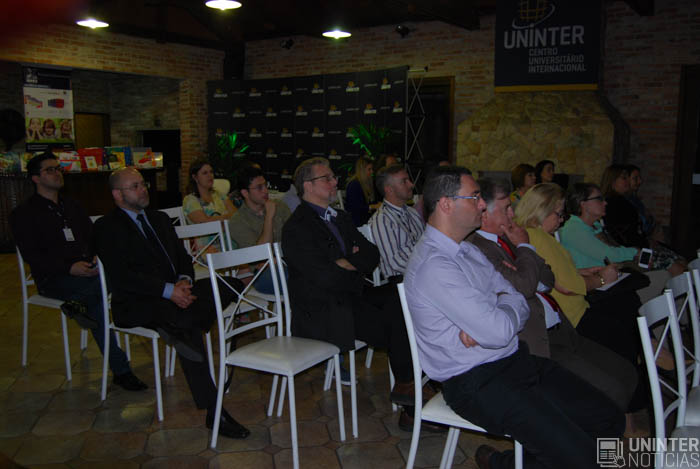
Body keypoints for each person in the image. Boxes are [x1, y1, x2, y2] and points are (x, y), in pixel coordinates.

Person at [405, 166, 624, 469]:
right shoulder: (435, 265)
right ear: (446, 204)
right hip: (476, 382)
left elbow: (518, 297)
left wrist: (494, 312)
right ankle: (506, 463)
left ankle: (507, 463)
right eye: (474, 197)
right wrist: (494, 314)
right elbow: (499, 329)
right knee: (585, 458)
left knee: (609, 420)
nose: (482, 205)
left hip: (515, 360)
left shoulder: (467, 251)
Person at [94, 167, 249, 440]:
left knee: (230, 284)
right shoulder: (107, 227)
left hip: (176, 294)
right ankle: (215, 412)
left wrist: (183, 281)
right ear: (117, 194)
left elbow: (183, 258)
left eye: (143, 184)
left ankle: (180, 323)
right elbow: (123, 276)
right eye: (134, 186)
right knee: (187, 324)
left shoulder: (160, 219)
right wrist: (168, 291)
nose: (143, 190)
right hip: (137, 301)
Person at [468, 178, 637, 415]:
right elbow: (527, 286)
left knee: (626, 371)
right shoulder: (479, 248)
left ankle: (614, 426)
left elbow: (547, 279)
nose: (513, 214)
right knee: (610, 390)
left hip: (562, 327)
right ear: (484, 214)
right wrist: (525, 250)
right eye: (506, 209)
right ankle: (604, 433)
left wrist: (525, 266)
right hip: (538, 340)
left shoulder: (510, 237)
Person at [282, 157, 422, 430]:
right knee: (396, 323)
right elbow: (324, 277)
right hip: (323, 309)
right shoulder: (297, 227)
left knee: (402, 297)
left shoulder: (340, 217)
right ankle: (410, 396)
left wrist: (345, 262)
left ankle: (408, 385)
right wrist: (352, 262)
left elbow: (372, 254)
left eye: (333, 177)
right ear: (308, 186)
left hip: (351, 293)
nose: (335, 182)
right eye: (327, 178)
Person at [10, 152, 146, 392]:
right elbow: (33, 255)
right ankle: (121, 370)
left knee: (120, 276)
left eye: (58, 168)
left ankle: (77, 305)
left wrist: (93, 257)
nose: (57, 173)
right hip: (54, 279)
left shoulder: (72, 205)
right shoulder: (24, 213)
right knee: (98, 297)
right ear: (35, 178)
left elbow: (92, 238)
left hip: (87, 272)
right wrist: (69, 267)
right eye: (50, 170)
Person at [515, 183, 641, 365]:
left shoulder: (531, 234)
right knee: (625, 323)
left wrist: (580, 272)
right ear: (543, 211)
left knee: (625, 309)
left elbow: (552, 274)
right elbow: (567, 287)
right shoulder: (540, 237)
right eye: (559, 214)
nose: (561, 221)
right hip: (573, 316)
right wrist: (602, 279)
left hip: (570, 312)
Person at [560, 182, 668, 303]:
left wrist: (633, 257)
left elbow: (614, 250)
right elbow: (608, 254)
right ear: (583, 204)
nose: (605, 203)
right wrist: (635, 252)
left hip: (611, 279)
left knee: (664, 276)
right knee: (664, 277)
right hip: (594, 289)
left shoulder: (595, 225)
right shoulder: (573, 229)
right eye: (599, 199)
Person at [601, 164, 685, 275]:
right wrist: (645, 244)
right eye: (624, 178)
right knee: (676, 266)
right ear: (612, 181)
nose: (627, 182)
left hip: (639, 246)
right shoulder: (613, 203)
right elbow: (623, 236)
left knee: (680, 261)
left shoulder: (624, 200)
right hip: (633, 252)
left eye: (627, 178)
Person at [228, 165, 291, 294]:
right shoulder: (238, 221)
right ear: (245, 193)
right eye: (259, 187)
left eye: (265, 185)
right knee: (294, 278)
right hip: (262, 273)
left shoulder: (280, 206)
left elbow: (295, 237)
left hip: (288, 261)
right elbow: (260, 256)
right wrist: (269, 217)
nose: (266, 191)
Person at [369, 164, 423, 280]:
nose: (411, 184)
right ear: (389, 189)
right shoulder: (382, 220)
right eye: (404, 181)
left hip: (420, 275)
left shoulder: (412, 213)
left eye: (409, 180)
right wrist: (431, 268)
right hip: (401, 282)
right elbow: (396, 263)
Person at [182, 158, 236, 253]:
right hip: (207, 249)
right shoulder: (190, 200)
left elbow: (236, 215)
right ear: (195, 177)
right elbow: (205, 223)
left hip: (230, 242)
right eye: (205, 173)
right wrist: (226, 218)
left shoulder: (219, 195)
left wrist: (218, 220)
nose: (210, 175)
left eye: (211, 172)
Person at [345, 156, 379, 226]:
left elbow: (374, 202)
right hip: (358, 222)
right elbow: (355, 208)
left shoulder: (370, 183)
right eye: (369, 169)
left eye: (372, 169)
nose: (372, 172)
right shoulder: (354, 185)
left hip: (368, 220)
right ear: (362, 170)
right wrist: (373, 206)